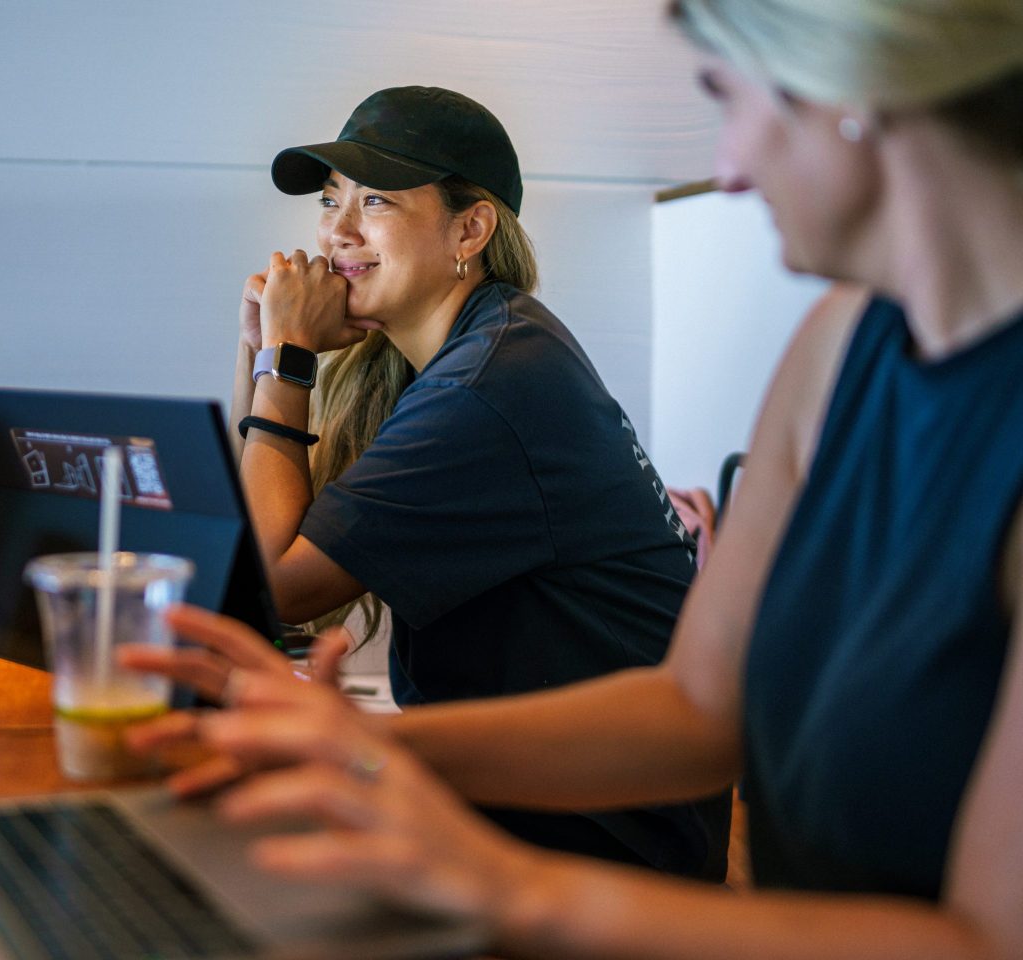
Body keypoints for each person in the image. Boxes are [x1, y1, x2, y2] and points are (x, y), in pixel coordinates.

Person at [122, 0, 1023, 955]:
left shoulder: (496, 379)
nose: (730, 166)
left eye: (733, 100)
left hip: (614, 862)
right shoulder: (839, 342)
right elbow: (702, 704)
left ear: (859, 99)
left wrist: (506, 884)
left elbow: (987, 938)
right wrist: (368, 750)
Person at [227, 84, 728, 877]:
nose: (337, 233)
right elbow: (258, 537)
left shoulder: (487, 387)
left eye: (377, 201)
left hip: (599, 839)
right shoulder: (475, 351)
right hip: (532, 797)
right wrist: (265, 349)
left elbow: (267, 581)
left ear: (471, 228)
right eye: (331, 201)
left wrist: (283, 361)